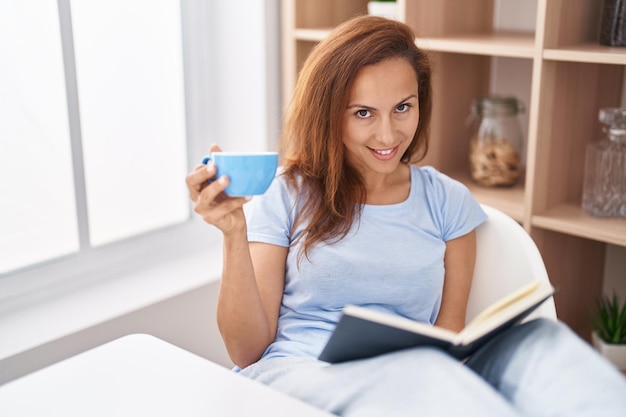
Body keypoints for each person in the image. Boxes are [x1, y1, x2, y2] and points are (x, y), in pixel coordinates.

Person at [186, 15, 626, 417]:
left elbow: (449, 332)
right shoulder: (287, 193)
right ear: (328, 116)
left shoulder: (448, 201)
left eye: (403, 107)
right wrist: (233, 234)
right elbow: (247, 352)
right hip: (303, 371)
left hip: (419, 373)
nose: (388, 134)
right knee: (427, 376)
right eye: (363, 113)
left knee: (542, 342)